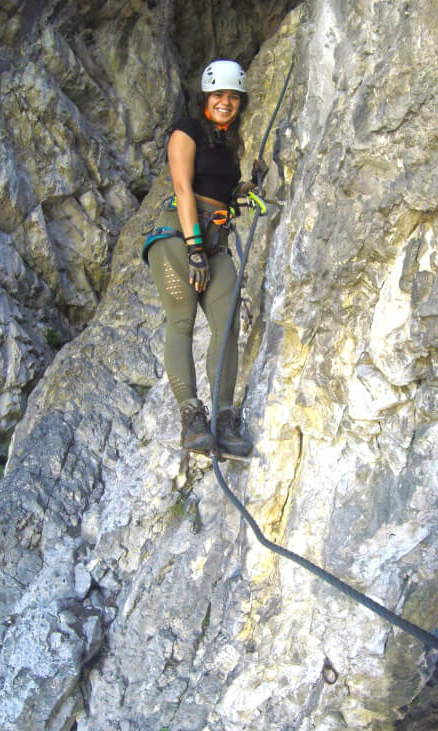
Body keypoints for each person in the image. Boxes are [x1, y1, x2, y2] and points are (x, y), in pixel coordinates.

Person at [143, 59, 258, 456]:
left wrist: (245, 186)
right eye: (218, 95)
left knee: (227, 325)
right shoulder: (187, 131)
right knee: (182, 322)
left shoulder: (226, 143)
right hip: (179, 236)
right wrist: (194, 249)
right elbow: (183, 186)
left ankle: (223, 418)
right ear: (206, 98)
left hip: (217, 240)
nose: (226, 102)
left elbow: (217, 189)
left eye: (232, 96)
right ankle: (191, 415)